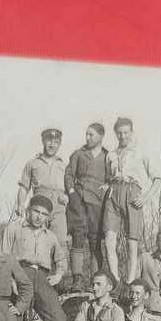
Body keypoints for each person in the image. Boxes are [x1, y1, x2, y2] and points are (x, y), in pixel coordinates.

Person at [2, 194, 68, 321]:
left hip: (43, 278)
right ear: (29, 210)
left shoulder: (51, 237)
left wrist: (58, 275)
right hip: (20, 274)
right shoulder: (14, 229)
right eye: (36, 212)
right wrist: (10, 279)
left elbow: (61, 261)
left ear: (48, 217)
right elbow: (3, 257)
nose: (39, 217)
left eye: (44, 214)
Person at [102, 117, 161, 285]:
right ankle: (114, 280)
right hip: (113, 194)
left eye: (126, 132)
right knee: (109, 240)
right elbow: (108, 176)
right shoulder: (111, 155)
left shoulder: (141, 153)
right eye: (119, 133)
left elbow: (158, 178)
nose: (123, 136)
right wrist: (106, 186)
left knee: (131, 242)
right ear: (115, 134)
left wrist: (145, 197)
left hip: (132, 193)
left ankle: (130, 282)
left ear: (132, 132)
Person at [64, 123, 108, 289]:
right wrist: (72, 192)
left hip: (98, 204)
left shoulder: (107, 156)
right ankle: (77, 279)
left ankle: (95, 281)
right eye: (87, 134)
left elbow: (111, 178)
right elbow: (69, 174)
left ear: (101, 136)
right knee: (78, 236)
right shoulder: (78, 154)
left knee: (95, 241)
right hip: (79, 201)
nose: (88, 138)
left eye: (92, 135)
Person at [16, 127, 69, 253]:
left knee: (60, 242)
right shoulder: (33, 163)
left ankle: (60, 272)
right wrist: (20, 205)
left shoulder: (64, 165)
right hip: (39, 206)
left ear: (60, 144)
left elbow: (70, 188)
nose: (52, 145)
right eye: (49, 141)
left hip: (59, 208)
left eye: (56, 142)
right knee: (36, 239)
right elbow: (24, 187)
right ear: (43, 141)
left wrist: (67, 197)